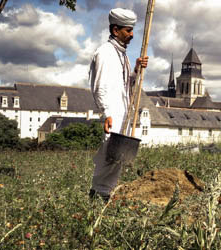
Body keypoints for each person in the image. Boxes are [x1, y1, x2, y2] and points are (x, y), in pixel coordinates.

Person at [89, 8, 148, 200]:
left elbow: (126, 84)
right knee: (109, 155)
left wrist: (137, 69)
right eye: (128, 30)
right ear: (115, 30)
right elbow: (100, 86)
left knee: (118, 157)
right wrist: (106, 113)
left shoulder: (122, 55)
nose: (131, 35)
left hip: (123, 111)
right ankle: (99, 195)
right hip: (112, 111)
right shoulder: (105, 53)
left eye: (132, 30)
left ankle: (106, 193)